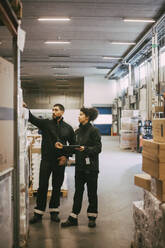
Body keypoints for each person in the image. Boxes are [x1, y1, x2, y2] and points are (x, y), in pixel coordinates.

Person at [25, 103, 75, 224]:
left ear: (62, 112)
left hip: (60, 161)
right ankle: (38, 213)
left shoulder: (68, 128)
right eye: (52, 109)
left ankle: (54, 211)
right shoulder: (46, 123)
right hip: (46, 160)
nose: (53, 111)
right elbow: (32, 119)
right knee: (42, 186)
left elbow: (73, 144)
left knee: (57, 186)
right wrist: (26, 108)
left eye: (56, 110)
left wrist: (66, 157)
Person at [57, 107, 102, 228]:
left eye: (81, 114)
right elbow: (74, 147)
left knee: (92, 193)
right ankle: (73, 217)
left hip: (91, 168)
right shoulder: (77, 132)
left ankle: (92, 217)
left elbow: (98, 148)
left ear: (87, 117)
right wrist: (63, 147)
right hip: (80, 168)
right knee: (78, 193)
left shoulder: (94, 131)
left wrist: (86, 149)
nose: (79, 116)